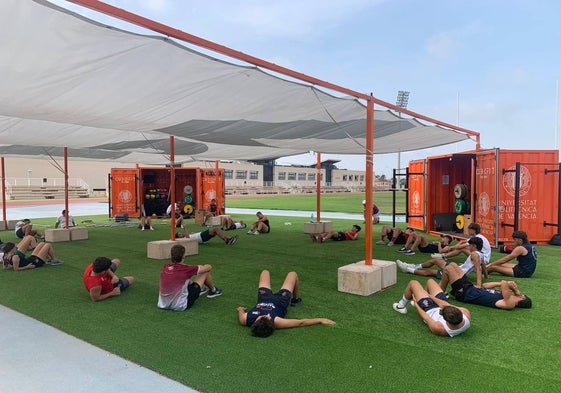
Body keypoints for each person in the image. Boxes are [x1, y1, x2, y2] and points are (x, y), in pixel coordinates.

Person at [237, 270, 336, 337]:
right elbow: (301, 322)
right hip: (281, 300)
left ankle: (294, 299)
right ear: (271, 321)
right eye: (266, 316)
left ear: (255, 321)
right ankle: (295, 300)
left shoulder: (245, 319)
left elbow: (241, 312)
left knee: (265, 272)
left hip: (264, 297)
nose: (264, 315)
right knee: (293, 274)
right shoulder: (278, 322)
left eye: (260, 317)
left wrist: (240, 310)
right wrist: (320, 320)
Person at [392, 279, 471, 337]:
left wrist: (417, 304)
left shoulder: (439, 328)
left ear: (445, 319)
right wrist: (429, 296)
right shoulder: (465, 313)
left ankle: (401, 306)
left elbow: (425, 317)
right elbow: (445, 304)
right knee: (430, 281)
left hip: (430, 309)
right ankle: (424, 296)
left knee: (413, 283)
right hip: (442, 304)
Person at [397, 237, 486, 288]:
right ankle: (413, 266)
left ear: (474, 246)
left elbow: (478, 269)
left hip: (456, 273)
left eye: (469, 245)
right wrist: (486, 275)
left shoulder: (474, 254)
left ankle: (407, 269)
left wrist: (478, 285)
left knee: (429, 272)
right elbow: (483, 266)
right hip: (457, 269)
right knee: (435, 260)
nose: (468, 247)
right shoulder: (481, 254)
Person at [439, 262, 532, 310]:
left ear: (522, 298)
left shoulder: (510, 303)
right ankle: (441, 291)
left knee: (448, 269)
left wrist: (515, 290)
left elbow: (504, 283)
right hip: (471, 288)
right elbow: (485, 285)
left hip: (465, 294)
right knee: (453, 265)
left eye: (522, 295)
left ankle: (441, 293)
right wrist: (500, 284)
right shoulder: (504, 295)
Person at [157, 244, 223, 311]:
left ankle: (199, 289)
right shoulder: (186, 269)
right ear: (183, 256)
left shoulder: (165, 267)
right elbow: (208, 268)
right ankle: (213, 290)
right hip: (180, 305)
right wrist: (205, 265)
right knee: (205, 272)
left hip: (162, 304)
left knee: (181, 278)